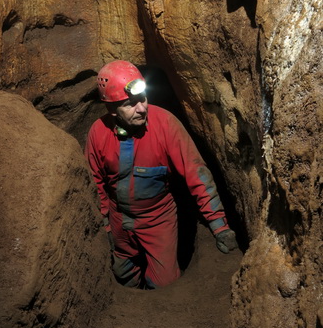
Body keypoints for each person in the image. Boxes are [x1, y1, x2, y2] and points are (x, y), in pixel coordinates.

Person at [85, 60, 238, 289]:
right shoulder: (98, 132)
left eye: (143, 98)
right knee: (123, 276)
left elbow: (197, 174)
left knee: (165, 285)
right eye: (130, 104)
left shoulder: (165, 124)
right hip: (119, 220)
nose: (142, 108)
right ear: (111, 109)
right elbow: (95, 184)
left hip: (158, 218)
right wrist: (105, 226)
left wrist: (219, 226)